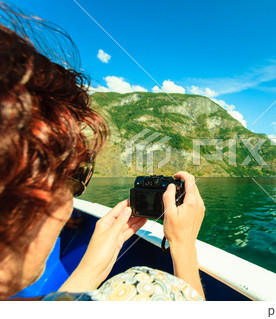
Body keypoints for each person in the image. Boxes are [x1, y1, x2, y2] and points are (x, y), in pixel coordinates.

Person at [0, 3, 205, 301]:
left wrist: (93, 268)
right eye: (74, 175)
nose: (68, 206)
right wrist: (184, 244)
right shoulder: (143, 289)